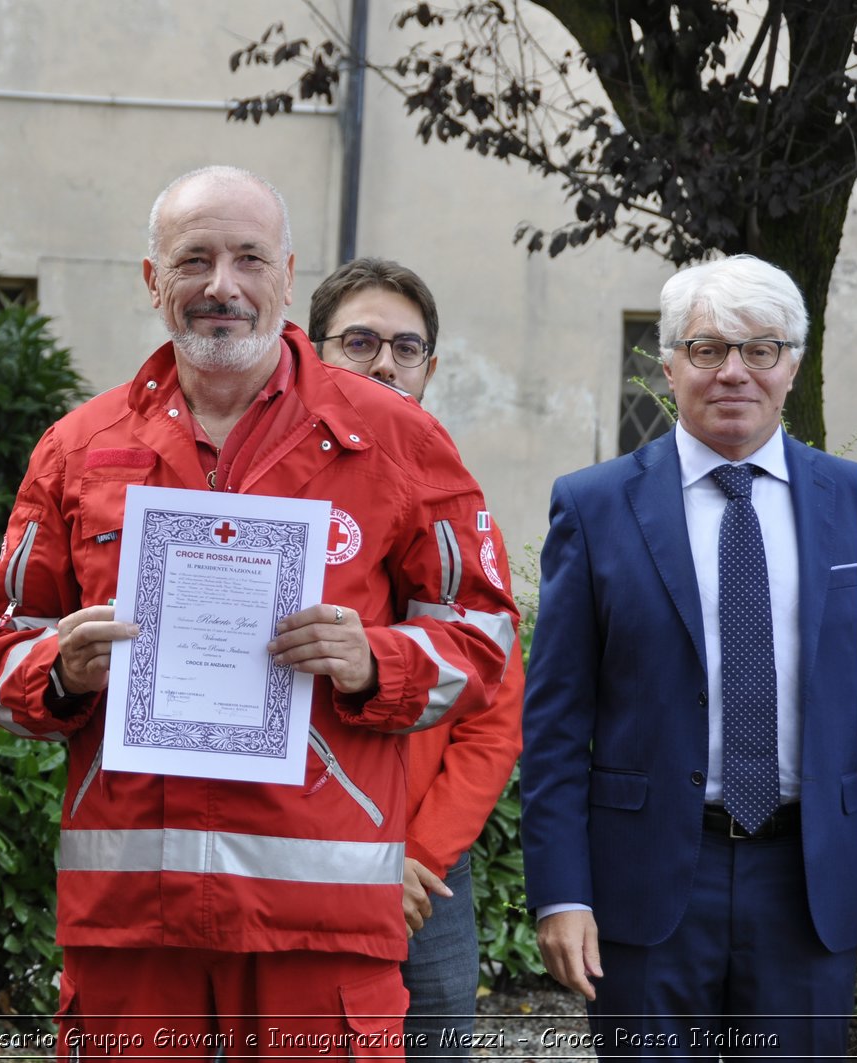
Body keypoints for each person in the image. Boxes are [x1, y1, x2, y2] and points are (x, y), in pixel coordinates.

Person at [0, 166, 517, 1056]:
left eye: (248, 258)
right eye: (195, 260)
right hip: (131, 926)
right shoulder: (77, 448)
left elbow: (485, 635)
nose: (222, 285)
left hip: (321, 925)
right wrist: (58, 672)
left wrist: (378, 660)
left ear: (287, 275)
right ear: (153, 281)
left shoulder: (398, 438)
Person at [520, 254, 857, 1056]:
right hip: (648, 885)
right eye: (707, 349)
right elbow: (554, 725)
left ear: (792, 363)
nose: (734, 371)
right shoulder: (592, 507)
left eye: (760, 349)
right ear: (668, 362)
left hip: (806, 885)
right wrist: (560, 893)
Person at [309, 258, 523, 1056]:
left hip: (425, 883)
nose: (384, 363)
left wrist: (415, 857)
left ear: (430, 369)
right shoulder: (275, 504)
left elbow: (491, 721)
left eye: (406, 346)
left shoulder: (460, 515)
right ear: (311, 351)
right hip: (301, 858)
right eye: (359, 341)